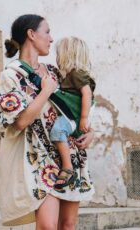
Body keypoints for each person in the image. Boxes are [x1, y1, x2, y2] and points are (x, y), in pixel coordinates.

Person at [0, 14, 95, 229]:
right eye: (47, 32)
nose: (51, 39)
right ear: (31, 34)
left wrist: (90, 132)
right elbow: (20, 122)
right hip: (38, 160)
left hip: (68, 155)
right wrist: (46, 91)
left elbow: (73, 107)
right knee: (48, 226)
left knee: (68, 225)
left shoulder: (54, 72)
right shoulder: (11, 76)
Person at [50, 37, 96, 189]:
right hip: (74, 117)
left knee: (57, 131)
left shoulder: (76, 74)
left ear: (67, 56)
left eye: (58, 54)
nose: (56, 58)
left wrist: (83, 118)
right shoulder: (72, 75)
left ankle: (67, 167)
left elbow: (87, 94)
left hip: (74, 117)